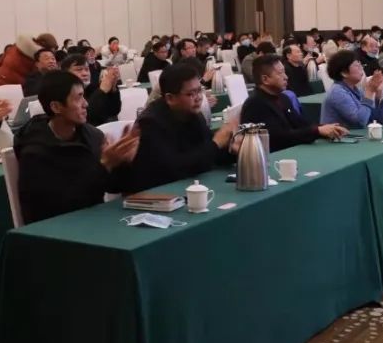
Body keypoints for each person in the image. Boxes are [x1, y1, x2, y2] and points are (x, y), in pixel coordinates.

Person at [15, 71, 140, 224]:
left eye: (84, 96)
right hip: (56, 229)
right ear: (56, 107)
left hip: (94, 221)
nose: (86, 104)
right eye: (78, 98)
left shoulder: (92, 136)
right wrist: (105, 164)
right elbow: (64, 203)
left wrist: (124, 162)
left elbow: (114, 186)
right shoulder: (35, 152)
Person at [116, 64, 238, 195]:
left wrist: (233, 150)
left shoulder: (194, 115)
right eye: (191, 94)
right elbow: (175, 168)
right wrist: (216, 144)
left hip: (185, 187)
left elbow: (208, 155)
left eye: (199, 90)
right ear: (170, 98)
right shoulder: (150, 123)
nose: (198, 97)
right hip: (152, 195)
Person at [241, 55, 347, 152]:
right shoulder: (255, 104)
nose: (286, 77)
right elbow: (278, 138)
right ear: (265, 79)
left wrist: (326, 128)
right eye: (280, 73)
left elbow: (301, 124)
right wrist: (317, 131)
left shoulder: (283, 98)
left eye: (284, 72)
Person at [321, 50, 383, 128]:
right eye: (356, 65)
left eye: (360, 64)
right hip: (341, 135)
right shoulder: (337, 92)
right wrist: (369, 92)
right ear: (344, 73)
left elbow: (375, 120)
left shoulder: (355, 89)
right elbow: (360, 121)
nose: (361, 68)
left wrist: (378, 96)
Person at [61, 53, 121, 126]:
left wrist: (113, 88)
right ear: (66, 73)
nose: (85, 73)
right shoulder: (65, 93)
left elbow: (113, 111)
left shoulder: (91, 88)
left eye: (87, 69)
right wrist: (102, 91)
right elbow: (86, 118)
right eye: (79, 69)